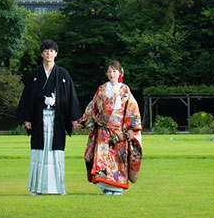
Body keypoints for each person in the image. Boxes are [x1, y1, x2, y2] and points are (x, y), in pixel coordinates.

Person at [16, 40, 81, 195]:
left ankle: (58, 188)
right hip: (39, 118)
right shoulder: (35, 75)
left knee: (55, 151)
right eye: (46, 51)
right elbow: (28, 97)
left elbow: (70, 97)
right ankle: (37, 188)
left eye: (52, 51)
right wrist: (27, 118)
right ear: (42, 54)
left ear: (56, 54)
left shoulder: (63, 74)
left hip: (56, 119)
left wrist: (71, 116)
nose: (49, 53)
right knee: (39, 151)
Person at [77, 60, 142, 195]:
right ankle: (105, 186)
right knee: (102, 159)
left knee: (118, 160)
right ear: (106, 73)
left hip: (119, 131)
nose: (112, 74)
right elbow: (92, 107)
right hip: (103, 131)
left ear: (120, 72)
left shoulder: (125, 90)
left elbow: (132, 109)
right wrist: (83, 121)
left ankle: (117, 187)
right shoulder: (101, 89)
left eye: (114, 71)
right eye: (109, 71)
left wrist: (131, 128)